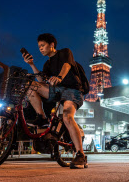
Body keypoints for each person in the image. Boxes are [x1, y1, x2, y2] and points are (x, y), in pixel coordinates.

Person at [22, 33, 87, 169]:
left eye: (42, 45)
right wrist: (32, 64)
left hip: (72, 90)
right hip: (57, 91)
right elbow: (41, 81)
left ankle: (81, 155)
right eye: (39, 46)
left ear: (51, 45)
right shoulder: (47, 63)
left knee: (67, 117)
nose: (40, 48)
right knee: (31, 85)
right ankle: (41, 117)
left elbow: (66, 66)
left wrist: (59, 77)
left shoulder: (64, 52)